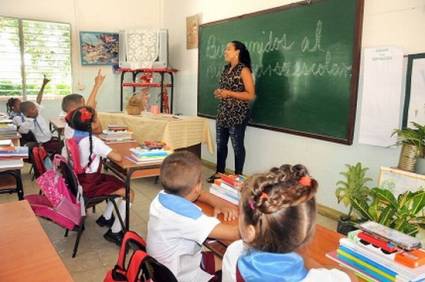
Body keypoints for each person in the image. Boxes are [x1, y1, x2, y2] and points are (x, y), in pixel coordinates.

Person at [221, 164, 351, 282]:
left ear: (249, 232)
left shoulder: (234, 253)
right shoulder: (321, 278)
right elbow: (350, 276)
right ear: (305, 232)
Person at [146, 151, 240, 282]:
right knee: (237, 269)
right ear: (197, 187)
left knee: (223, 260)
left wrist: (220, 203)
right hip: (180, 276)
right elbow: (236, 233)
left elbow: (200, 195)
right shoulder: (190, 219)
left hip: (171, 266)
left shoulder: (162, 197)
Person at [67, 106, 134, 245]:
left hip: (79, 182)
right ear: (92, 124)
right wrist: (110, 149)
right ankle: (115, 232)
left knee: (117, 183)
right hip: (89, 186)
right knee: (129, 193)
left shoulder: (72, 136)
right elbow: (118, 157)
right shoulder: (93, 141)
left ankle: (106, 217)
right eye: (96, 119)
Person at [207, 41, 255, 183]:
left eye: (228, 49)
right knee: (221, 144)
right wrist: (220, 92)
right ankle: (219, 173)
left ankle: (238, 177)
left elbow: (250, 95)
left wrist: (229, 93)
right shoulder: (226, 68)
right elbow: (226, 90)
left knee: (237, 145)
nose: (225, 51)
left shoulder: (244, 70)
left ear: (237, 52)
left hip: (238, 114)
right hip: (223, 112)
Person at [61, 69, 105, 138]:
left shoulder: (69, 122)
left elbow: (97, 130)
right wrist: (96, 85)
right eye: (84, 104)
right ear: (82, 101)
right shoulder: (77, 122)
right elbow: (98, 129)